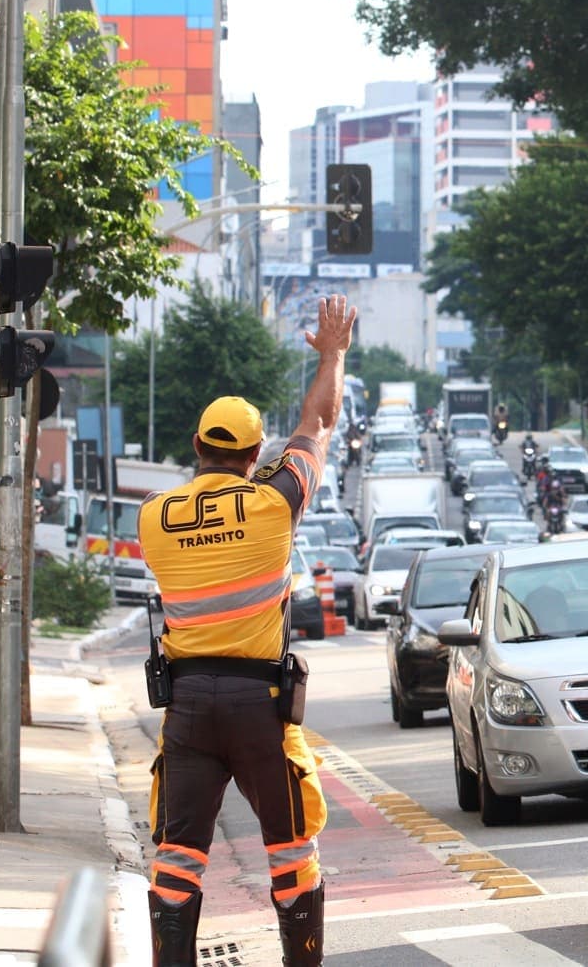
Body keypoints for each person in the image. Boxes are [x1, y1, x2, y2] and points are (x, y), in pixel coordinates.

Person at [136, 294, 356, 967]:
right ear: (256, 451)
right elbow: (318, 421)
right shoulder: (274, 503)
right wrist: (332, 353)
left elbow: (191, 505)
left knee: (177, 858)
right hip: (260, 709)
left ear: (196, 446)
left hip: (189, 710)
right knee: (292, 853)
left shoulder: (152, 518)